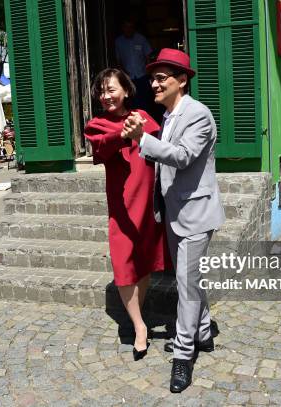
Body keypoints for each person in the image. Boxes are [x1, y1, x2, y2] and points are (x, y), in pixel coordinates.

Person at [122, 49, 225, 393]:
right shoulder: (168, 115)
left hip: (196, 214)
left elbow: (182, 157)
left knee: (184, 281)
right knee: (189, 279)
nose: (153, 83)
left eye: (161, 77)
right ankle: (205, 332)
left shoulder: (199, 114)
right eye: (152, 77)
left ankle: (184, 355)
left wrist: (142, 139)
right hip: (175, 212)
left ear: (182, 80)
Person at [84, 68, 171, 361]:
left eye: (112, 89)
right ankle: (139, 326)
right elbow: (103, 146)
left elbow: (164, 148)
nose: (106, 96)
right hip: (121, 207)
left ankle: (139, 311)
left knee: (144, 262)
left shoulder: (144, 116)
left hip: (148, 202)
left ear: (126, 91)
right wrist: (125, 135)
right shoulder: (96, 125)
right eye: (102, 91)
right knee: (123, 269)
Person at [115, 20, 153, 111]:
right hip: (128, 77)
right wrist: (123, 73)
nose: (128, 29)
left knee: (144, 101)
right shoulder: (118, 41)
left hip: (142, 75)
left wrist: (148, 72)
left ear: (134, 28)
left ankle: (145, 121)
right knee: (130, 101)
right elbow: (118, 60)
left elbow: (148, 56)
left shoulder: (141, 39)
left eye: (131, 27)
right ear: (123, 28)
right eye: (126, 27)